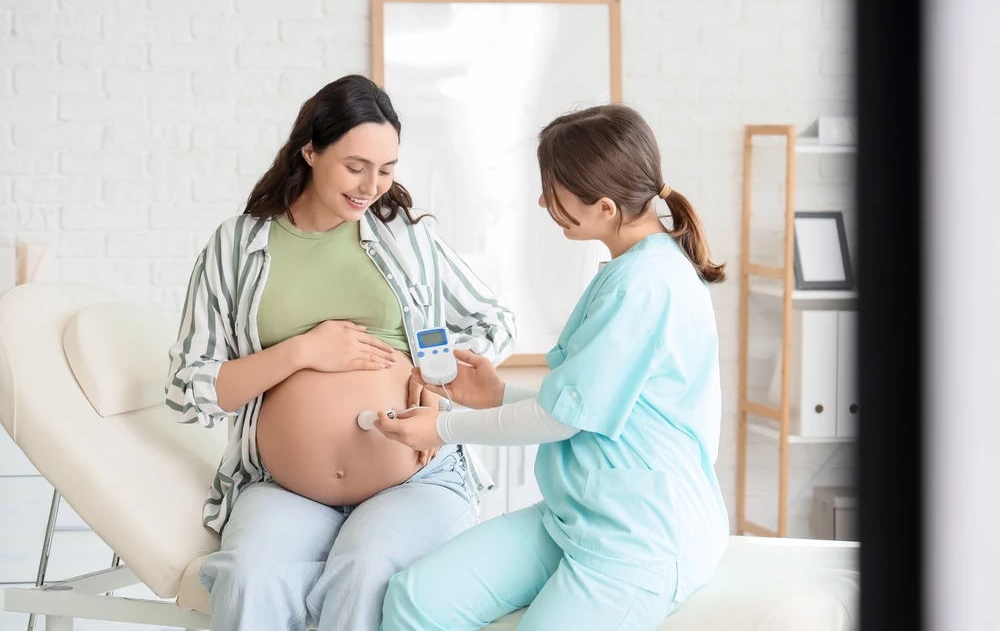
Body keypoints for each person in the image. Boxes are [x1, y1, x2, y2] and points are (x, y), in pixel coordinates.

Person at [163, 74, 516, 631]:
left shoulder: (408, 239)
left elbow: (490, 320)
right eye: (355, 166)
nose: (372, 185)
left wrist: (436, 375)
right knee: (250, 578)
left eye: (387, 169)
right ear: (310, 149)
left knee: (367, 570)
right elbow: (189, 388)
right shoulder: (237, 246)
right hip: (283, 487)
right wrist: (302, 351)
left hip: (415, 479)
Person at [375, 104, 729, 630]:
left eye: (554, 190)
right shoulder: (632, 269)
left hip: (639, 538)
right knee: (415, 600)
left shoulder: (646, 285)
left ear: (605, 206)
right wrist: (495, 396)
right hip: (578, 515)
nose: (543, 201)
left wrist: (444, 426)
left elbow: (564, 419)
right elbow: (589, 403)